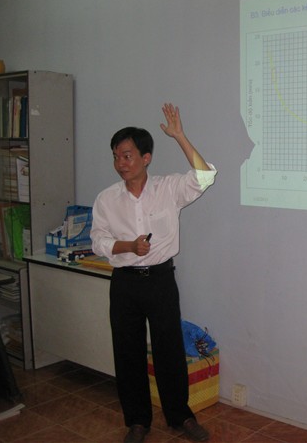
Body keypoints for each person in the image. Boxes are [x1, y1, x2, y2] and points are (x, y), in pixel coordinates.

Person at [90, 103, 216, 443]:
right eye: (116, 157)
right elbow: (98, 241)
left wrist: (179, 136)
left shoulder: (168, 188)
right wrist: (128, 246)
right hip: (125, 284)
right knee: (127, 352)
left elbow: (205, 176)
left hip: (160, 280)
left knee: (169, 351)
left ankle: (180, 417)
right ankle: (137, 422)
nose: (121, 163)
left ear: (146, 158)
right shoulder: (106, 199)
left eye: (127, 155)